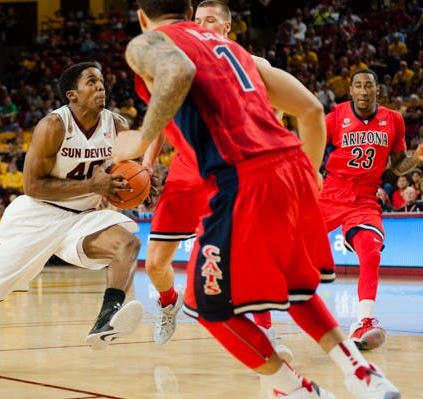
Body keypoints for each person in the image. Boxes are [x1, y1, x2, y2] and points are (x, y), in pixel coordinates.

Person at [113, 1, 400, 397]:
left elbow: (177, 70)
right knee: (295, 288)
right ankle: (361, 372)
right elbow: (311, 109)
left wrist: (141, 139)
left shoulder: (148, 42)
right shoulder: (238, 53)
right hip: (290, 167)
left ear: (144, 18)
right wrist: (309, 176)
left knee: (209, 307)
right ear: (187, 10)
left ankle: (296, 390)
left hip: (239, 178)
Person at [0, 62, 144, 371]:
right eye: (92, 82)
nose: (101, 87)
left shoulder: (117, 125)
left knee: (127, 244)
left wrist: (139, 185)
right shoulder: (54, 126)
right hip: (36, 215)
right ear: (72, 94)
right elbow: (32, 186)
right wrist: (92, 185)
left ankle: (107, 317)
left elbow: (129, 170)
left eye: (102, 81)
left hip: (82, 215)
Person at [140, 0, 291, 360]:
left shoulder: (257, 67)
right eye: (197, 20)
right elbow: (160, 120)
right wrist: (146, 165)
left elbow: (277, 119)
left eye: (210, 21)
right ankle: (168, 303)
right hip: (186, 172)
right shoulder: (179, 67)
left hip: (234, 171)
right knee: (155, 263)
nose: (201, 26)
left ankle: (267, 332)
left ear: (227, 28)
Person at [321, 68, 423, 350]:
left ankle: (364, 321)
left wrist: (416, 159)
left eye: (369, 86)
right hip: (331, 192)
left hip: (365, 198)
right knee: (293, 247)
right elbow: (312, 142)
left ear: (378, 90)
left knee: (370, 251)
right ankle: (262, 316)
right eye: (358, 86)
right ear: (351, 90)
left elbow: (396, 167)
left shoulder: (394, 120)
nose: (364, 91)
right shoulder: (336, 117)